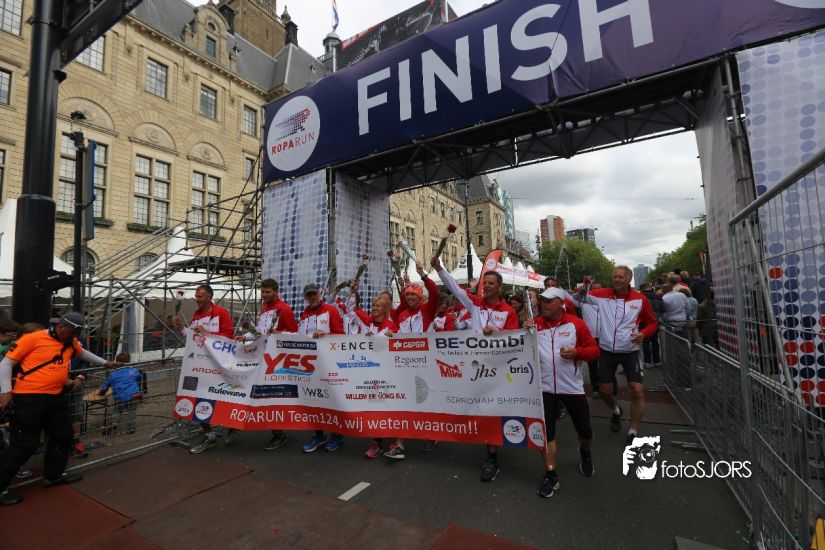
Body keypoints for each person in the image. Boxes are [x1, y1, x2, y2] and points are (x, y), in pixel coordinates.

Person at [0, 313, 124, 506]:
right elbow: (6, 363)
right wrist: (6, 391)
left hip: (55, 396)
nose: (76, 336)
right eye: (73, 331)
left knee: (63, 434)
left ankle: (53, 475)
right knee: (24, 444)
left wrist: (105, 363)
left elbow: (81, 353)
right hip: (29, 398)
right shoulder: (33, 338)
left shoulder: (70, 339)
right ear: (61, 327)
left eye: (78, 332)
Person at [433, 256, 519, 482]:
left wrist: (497, 332)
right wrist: (440, 269)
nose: (487, 286)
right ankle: (490, 452)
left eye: (491, 283)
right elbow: (455, 288)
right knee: (483, 410)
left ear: (499, 287)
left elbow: (516, 340)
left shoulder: (508, 311)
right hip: (476, 370)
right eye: (485, 283)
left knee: (494, 412)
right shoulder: (475, 305)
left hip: (500, 371)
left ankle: (494, 455)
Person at [525, 288, 600, 498]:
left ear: (561, 303)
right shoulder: (535, 324)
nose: (544, 304)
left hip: (571, 388)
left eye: (549, 301)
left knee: (585, 431)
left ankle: (585, 452)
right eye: (542, 301)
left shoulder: (576, 324)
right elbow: (521, 348)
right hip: (545, 388)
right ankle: (550, 473)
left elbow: (594, 351)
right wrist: (524, 332)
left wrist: (577, 352)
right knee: (547, 433)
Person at [574, 266, 658, 446]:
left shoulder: (640, 299)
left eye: (621, 277)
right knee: (604, 390)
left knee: (636, 389)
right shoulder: (602, 294)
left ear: (628, 279)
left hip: (630, 351)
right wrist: (583, 287)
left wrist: (643, 334)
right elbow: (578, 299)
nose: (617, 280)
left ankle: (633, 431)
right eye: (614, 277)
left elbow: (652, 323)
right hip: (607, 351)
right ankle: (616, 410)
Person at [384, 262, 440, 460]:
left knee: (425, 401)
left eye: (413, 295)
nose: (409, 297)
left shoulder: (426, 310)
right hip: (403, 366)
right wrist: (390, 334)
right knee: (404, 403)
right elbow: (394, 329)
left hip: (425, 365)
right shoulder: (402, 315)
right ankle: (399, 444)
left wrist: (422, 275)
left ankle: (431, 434)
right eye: (407, 295)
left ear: (420, 296)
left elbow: (436, 295)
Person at [235, 279, 298, 451]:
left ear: (276, 292)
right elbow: (260, 333)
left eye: (268, 292)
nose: (264, 295)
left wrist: (278, 334)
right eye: (262, 292)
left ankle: (279, 434)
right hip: (262, 357)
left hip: (277, 360)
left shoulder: (284, 309)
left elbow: (295, 334)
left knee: (274, 395)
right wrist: (246, 336)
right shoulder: (264, 309)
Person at [171, 284, 235, 454]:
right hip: (199, 366)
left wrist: (207, 333)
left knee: (223, 400)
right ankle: (209, 435)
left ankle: (232, 427)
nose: (196, 299)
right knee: (196, 399)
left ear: (209, 297)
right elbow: (192, 337)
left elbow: (229, 337)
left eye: (199, 296)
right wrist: (180, 327)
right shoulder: (196, 315)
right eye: (196, 296)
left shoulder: (221, 313)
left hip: (218, 366)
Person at [345, 293, 400, 459]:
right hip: (369, 371)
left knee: (390, 407)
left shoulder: (392, 325)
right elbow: (350, 311)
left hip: (388, 372)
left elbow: (398, 344)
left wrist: (392, 336)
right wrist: (353, 293)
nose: (375, 308)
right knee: (376, 406)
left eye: (378, 306)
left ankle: (395, 442)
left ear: (385, 309)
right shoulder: (367, 322)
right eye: (374, 306)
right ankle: (377, 442)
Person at [298, 283, 346, 453]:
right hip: (310, 364)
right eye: (308, 295)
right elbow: (300, 336)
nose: (312, 297)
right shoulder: (304, 314)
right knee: (313, 400)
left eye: (314, 294)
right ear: (305, 297)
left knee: (333, 399)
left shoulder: (331, 311)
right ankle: (319, 435)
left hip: (329, 363)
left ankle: (338, 434)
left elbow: (341, 336)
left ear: (319, 294)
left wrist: (326, 335)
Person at [99, 352, 141, 436]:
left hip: (119, 397)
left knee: (117, 410)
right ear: (129, 361)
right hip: (133, 394)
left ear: (116, 362)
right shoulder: (133, 371)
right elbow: (139, 377)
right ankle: (131, 428)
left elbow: (105, 384)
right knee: (132, 410)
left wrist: (101, 391)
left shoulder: (113, 374)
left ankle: (114, 423)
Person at [639, 283, 663, 368]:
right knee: (655, 342)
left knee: (645, 342)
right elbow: (663, 310)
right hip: (655, 322)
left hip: (643, 323)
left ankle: (647, 362)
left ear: (641, 289)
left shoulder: (640, 297)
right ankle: (657, 361)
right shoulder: (657, 297)